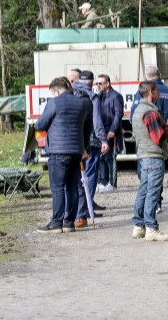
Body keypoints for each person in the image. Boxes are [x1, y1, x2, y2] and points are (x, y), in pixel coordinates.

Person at [35, 77, 93, 233]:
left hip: (58, 151)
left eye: (54, 93)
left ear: (57, 90)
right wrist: (83, 147)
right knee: (72, 187)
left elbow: (40, 125)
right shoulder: (81, 103)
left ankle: (56, 222)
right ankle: (69, 223)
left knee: (58, 188)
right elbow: (88, 127)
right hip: (76, 151)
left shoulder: (54, 103)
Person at [131, 65, 168, 212]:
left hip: (145, 144)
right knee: (157, 177)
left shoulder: (139, 96)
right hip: (160, 143)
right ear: (159, 74)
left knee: (145, 184)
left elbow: (134, 119)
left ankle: (144, 217)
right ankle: (151, 216)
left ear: (146, 77)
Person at [131, 81, 168, 241]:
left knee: (143, 190)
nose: (158, 94)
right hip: (154, 156)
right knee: (153, 193)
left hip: (143, 155)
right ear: (150, 92)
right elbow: (158, 137)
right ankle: (151, 228)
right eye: (156, 91)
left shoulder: (137, 110)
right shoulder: (150, 112)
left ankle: (138, 226)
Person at [72, 70, 107, 227]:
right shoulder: (92, 97)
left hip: (72, 142)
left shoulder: (71, 93)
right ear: (92, 83)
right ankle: (85, 210)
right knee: (89, 175)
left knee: (73, 178)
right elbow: (97, 122)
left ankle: (75, 213)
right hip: (90, 143)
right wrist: (103, 139)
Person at [96, 74, 124, 193]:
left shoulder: (116, 96)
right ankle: (103, 181)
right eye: (97, 83)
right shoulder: (99, 97)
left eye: (100, 83)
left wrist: (113, 130)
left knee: (110, 157)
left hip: (111, 131)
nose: (98, 86)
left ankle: (112, 183)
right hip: (101, 131)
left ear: (107, 84)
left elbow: (118, 114)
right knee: (101, 157)